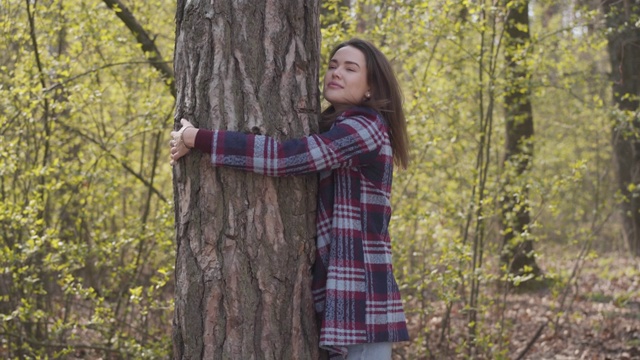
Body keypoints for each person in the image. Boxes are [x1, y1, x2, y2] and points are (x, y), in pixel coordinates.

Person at [170, 38, 410, 359]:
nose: (336, 73)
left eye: (350, 69)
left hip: (361, 299)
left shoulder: (365, 129)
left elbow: (285, 158)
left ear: (370, 89)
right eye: (333, 65)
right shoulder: (338, 127)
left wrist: (197, 137)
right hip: (344, 296)